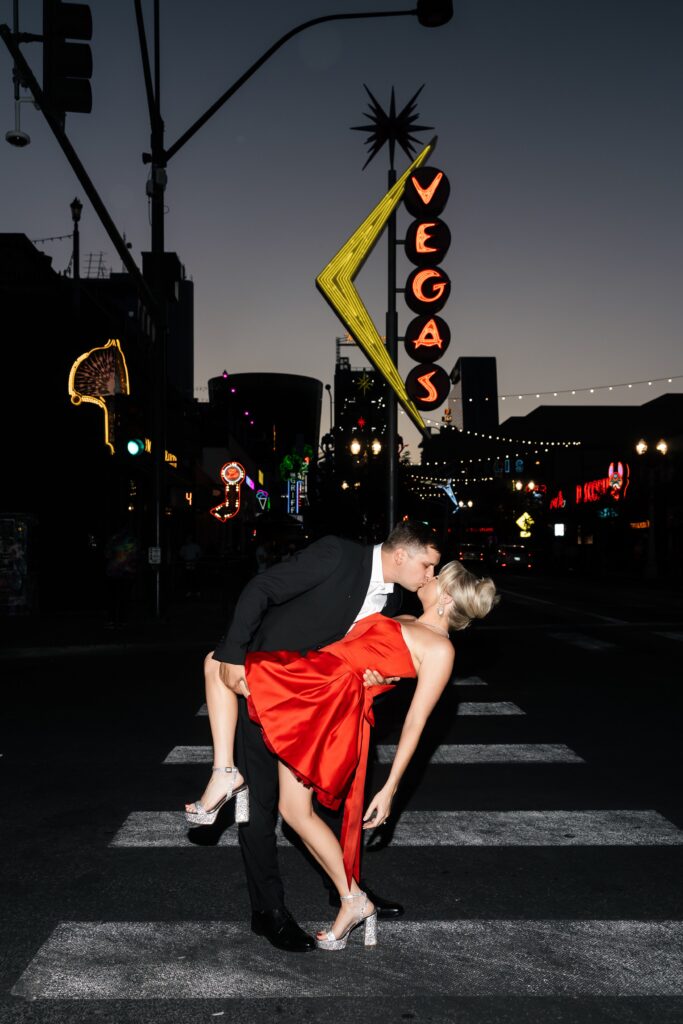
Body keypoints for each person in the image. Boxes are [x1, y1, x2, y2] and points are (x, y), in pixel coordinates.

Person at [187, 523, 496, 950]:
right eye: (429, 566)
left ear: (445, 598)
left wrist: (389, 786)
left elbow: (414, 716)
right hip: (297, 681)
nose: (430, 574)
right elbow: (283, 600)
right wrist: (239, 655)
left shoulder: (424, 631)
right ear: (403, 556)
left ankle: (347, 892)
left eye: (436, 574)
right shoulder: (372, 584)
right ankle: (308, 903)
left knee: (293, 808)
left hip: (316, 699)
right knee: (279, 809)